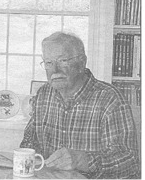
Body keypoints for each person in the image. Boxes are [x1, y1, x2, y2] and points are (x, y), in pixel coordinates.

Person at [20, 32, 140, 179]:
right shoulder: (43, 94)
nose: (55, 70)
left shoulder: (109, 99)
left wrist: (85, 161)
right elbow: (29, 143)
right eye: (48, 63)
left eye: (63, 61)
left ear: (82, 63)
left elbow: (130, 161)